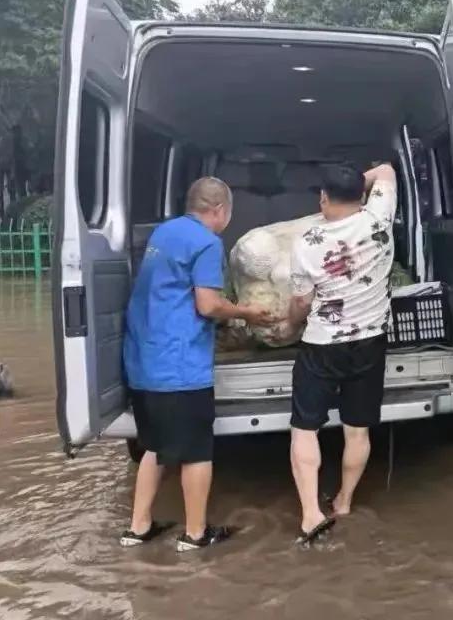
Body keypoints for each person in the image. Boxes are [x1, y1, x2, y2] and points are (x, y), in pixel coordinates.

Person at [121, 177, 276, 552]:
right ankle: (195, 534)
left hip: (144, 358)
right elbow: (207, 305)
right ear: (220, 209)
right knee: (196, 452)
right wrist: (246, 313)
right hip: (179, 365)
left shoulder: (165, 232)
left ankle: (138, 527)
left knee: (154, 446)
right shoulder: (207, 242)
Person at [286, 162, 397, 544]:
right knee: (357, 429)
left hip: (321, 345)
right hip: (370, 342)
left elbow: (301, 304)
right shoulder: (379, 217)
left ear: (322, 198)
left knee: (305, 428)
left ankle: (310, 514)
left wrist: (289, 324)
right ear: (362, 196)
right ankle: (345, 501)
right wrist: (358, 184)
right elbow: (386, 169)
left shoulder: (307, 243)